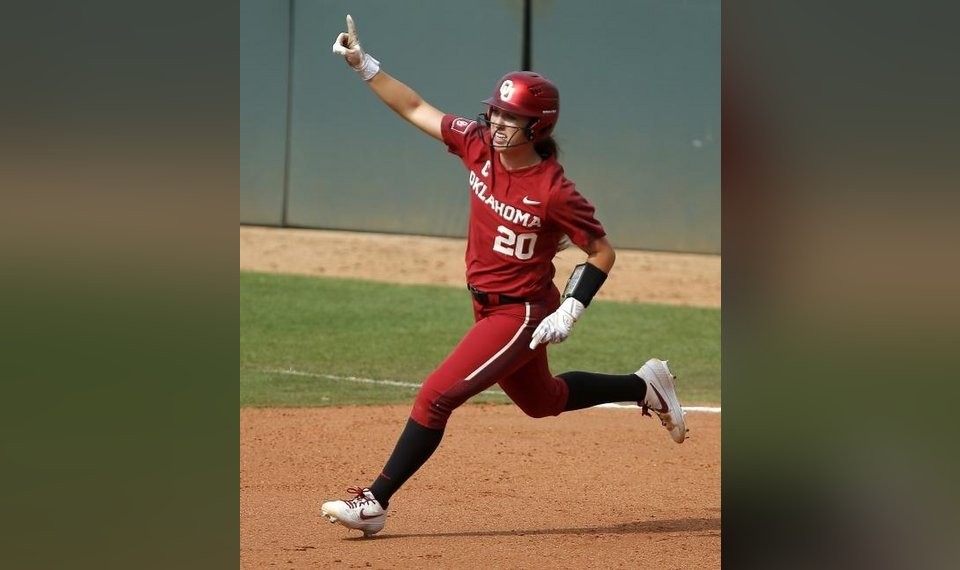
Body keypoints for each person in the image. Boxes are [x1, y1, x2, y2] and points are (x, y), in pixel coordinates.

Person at [321, 15, 687, 537]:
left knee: (436, 397)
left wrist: (571, 308)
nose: (495, 123)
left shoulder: (554, 189)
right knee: (543, 402)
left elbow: (601, 252)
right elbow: (416, 107)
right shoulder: (478, 146)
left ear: (538, 126)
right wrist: (364, 65)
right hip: (485, 303)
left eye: (509, 117)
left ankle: (374, 501)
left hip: (521, 312)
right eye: (494, 111)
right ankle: (643, 384)